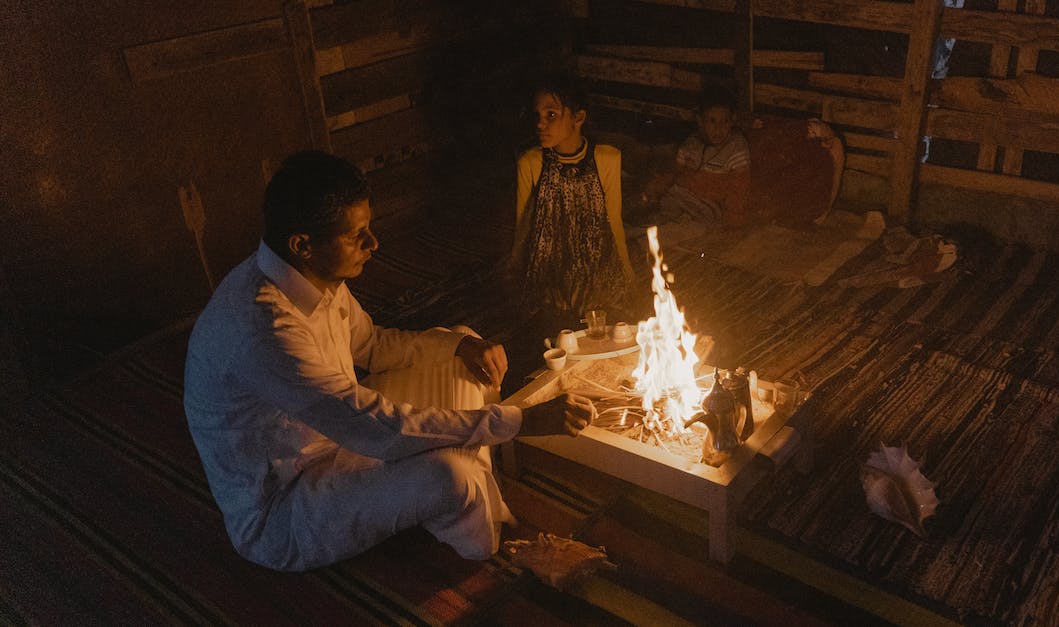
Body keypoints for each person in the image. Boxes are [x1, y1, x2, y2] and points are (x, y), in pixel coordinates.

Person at [183, 150, 596, 572]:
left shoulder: (310, 276)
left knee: (464, 348)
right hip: (288, 505)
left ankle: (464, 487)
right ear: (303, 245)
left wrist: (457, 350)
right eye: (356, 235)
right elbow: (374, 428)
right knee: (449, 475)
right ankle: (491, 543)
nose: (373, 243)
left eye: (370, 228)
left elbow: (372, 345)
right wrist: (519, 422)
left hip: (341, 433)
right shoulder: (263, 329)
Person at [510, 75, 635, 326]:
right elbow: (524, 227)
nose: (540, 124)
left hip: (597, 272)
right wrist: (515, 272)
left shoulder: (606, 159)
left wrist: (628, 274)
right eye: (538, 116)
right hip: (553, 275)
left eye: (551, 115)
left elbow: (613, 221)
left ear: (578, 118)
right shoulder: (532, 163)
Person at [635, 86, 752, 227]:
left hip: (708, 207)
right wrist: (656, 188)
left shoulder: (735, 148)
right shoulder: (692, 143)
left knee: (692, 224)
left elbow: (739, 189)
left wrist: (733, 220)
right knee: (665, 208)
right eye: (712, 121)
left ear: (732, 120)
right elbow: (674, 173)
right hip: (681, 197)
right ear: (700, 121)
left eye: (724, 121)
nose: (719, 128)